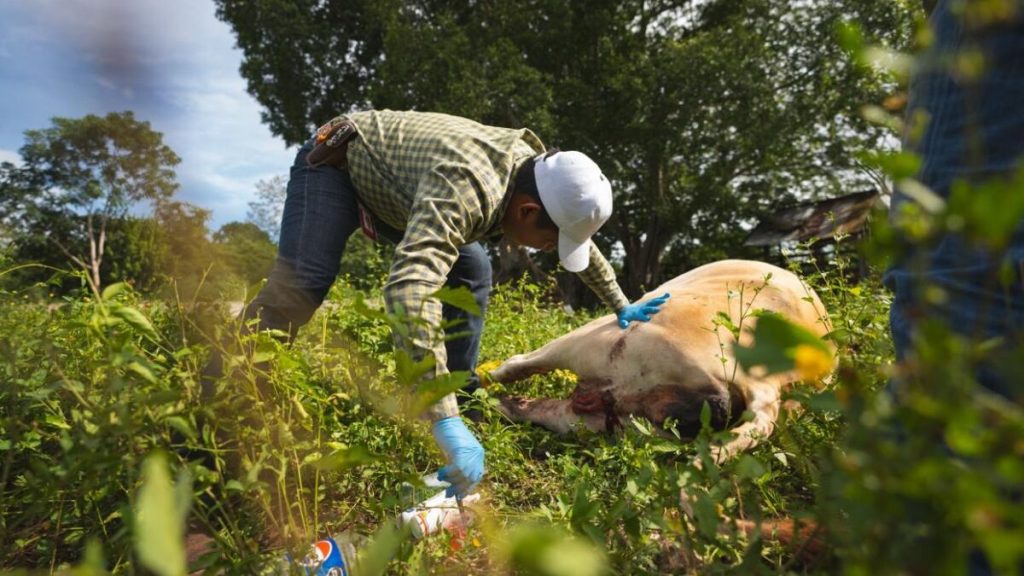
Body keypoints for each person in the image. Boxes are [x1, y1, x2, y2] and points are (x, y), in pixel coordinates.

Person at [239, 110, 670, 498]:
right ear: (524, 211)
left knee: (472, 267)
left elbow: (582, 244)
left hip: (398, 190)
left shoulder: (540, 178)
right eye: (548, 242)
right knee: (305, 281)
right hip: (337, 165)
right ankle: (229, 376)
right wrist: (441, 420)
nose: (546, 250)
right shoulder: (468, 190)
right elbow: (410, 287)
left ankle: (459, 393)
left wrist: (620, 304)